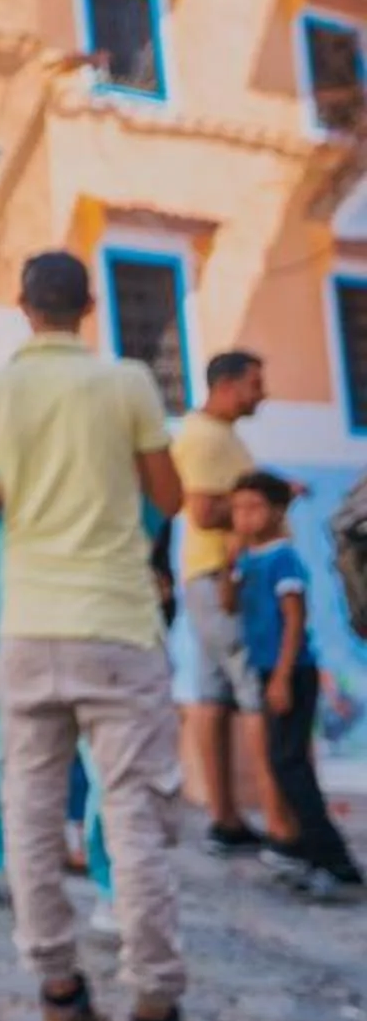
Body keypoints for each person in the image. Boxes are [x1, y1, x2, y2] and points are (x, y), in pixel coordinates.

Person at [0, 250, 220, 1021]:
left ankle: (62, 1005)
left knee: (31, 818)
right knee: (135, 816)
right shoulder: (127, 383)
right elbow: (169, 497)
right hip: (115, 623)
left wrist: (23, 483)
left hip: (28, 626)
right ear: (89, 305)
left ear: (23, 306)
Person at [171, 350, 292, 852]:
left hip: (213, 576)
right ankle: (280, 822)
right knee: (254, 692)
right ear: (226, 385)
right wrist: (268, 504)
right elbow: (203, 511)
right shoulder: (204, 437)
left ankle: (227, 819)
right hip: (221, 578)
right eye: (254, 384)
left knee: (213, 694)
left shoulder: (220, 436)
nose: (262, 393)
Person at [225, 472, 365, 904]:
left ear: (277, 511)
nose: (244, 517)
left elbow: (294, 619)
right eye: (237, 509)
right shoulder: (248, 558)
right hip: (266, 670)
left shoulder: (284, 558)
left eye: (254, 508)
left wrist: (283, 677)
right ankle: (306, 852)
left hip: (291, 672)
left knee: (290, 765)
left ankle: (334, 861)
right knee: (281, 763)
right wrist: (230, 564)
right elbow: (228, 605)